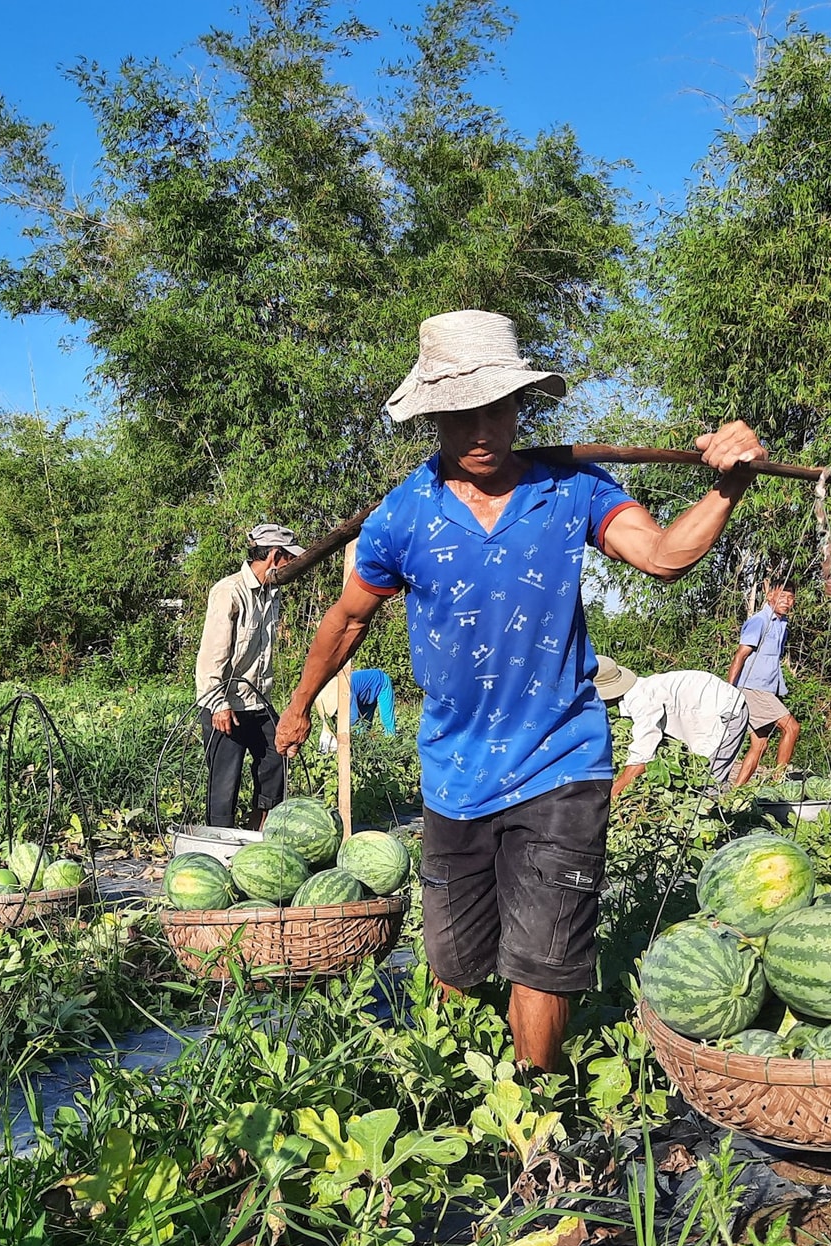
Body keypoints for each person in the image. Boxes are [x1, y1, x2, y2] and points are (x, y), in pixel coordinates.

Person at [274, 309, 765, 1070]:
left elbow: (664, 556)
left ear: (518, 407)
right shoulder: (401, 516)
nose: (479, 429)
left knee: (542, 956)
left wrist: (727, 489)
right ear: (431, 415)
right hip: (452, 773)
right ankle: (455, 1093)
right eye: (459, 413)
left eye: (494, 408)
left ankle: (533, 1115)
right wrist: (299, 706)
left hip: (561, 759)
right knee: (455, 963)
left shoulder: (573, 489)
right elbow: (346, 621)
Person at [195, 522, 304, 830]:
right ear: (275, 555)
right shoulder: (229, 592)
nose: (291, 566)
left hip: (257, 702)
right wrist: (218, 704)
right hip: (225, 703)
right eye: (289, 559)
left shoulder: (271, 594)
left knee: (277, 755)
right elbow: (211, 656)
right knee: (224, 781)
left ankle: (260, 828)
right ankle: (220, 842)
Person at [594, 661, 750, 800]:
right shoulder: (638, 691)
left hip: (728, 711)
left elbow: (642, 758)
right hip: (708, 705)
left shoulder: (641, 701)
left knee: (708, 783)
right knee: (700, 781)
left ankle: (716, 824)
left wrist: (612, 795)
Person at [727, 577, 800, 786]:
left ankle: (736, 791)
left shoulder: (782, 624)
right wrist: (729, 690)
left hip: (766, 689)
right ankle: (778, 781)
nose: (787, 601)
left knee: (760, 745)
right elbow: (740, 655)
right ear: (770, 596)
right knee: (791, 728)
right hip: (752, 689)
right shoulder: (759, 621)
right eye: (782, 596)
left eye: (791, 597)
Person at [315, 667, 398, 753]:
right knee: (364, 728)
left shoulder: (347, 692)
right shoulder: (335, 694)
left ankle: (392, 749)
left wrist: (339, 732)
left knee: (387, 721)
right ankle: (365, 751)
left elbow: (354, 719)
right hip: (364, 694)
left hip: (381, 683)